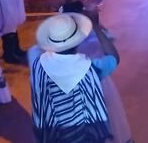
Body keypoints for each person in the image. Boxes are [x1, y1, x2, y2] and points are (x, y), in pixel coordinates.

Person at [30, 11, 120, 143]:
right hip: (85, 136)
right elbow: (114, 58)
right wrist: (96, 26)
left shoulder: (39, 64)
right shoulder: (89, 68)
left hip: (54, 135)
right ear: (78, 41)